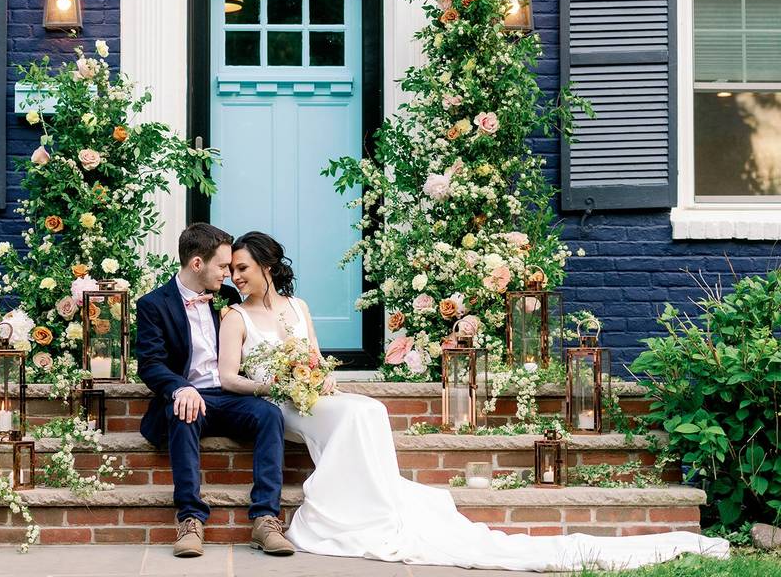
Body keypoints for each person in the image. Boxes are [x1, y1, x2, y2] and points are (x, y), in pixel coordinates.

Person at [217, 230, 730, 571]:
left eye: (243, 267)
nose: (236, 276)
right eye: (232, 269)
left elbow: (313, 358)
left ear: (266, 265)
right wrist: (276, 385)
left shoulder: (298, 306)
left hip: (311, 395)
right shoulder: (235, 319)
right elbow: (228, 378)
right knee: (356, 415)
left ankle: (378, 505)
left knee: (367, 408)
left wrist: (320, 377)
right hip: (279, 403)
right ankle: (348, 512)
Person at [135, 223, 294, 558]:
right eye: (223, 266)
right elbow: (150, 364)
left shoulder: (227, 298)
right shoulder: (154, 305)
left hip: (229, 394)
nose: (230, 274)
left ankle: (265, 518)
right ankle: (190, 519)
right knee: (182, 413)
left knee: (269, 414)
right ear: (197, 264)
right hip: (190, 397)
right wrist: (180, 388)